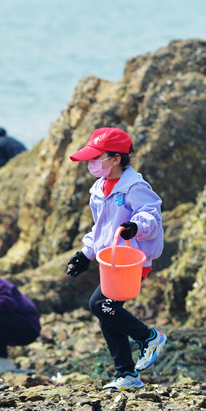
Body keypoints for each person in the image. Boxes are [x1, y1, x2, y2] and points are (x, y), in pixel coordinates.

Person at [65, 127, 167, 391]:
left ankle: (149, 337)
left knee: (99, 304)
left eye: (97, 158)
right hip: (111, 259)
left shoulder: (134, 186)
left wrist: (137, 226)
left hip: (132, 258)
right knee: (106, 312)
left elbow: (151, 214)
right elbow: (101, 227)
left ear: (116, 159)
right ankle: (127, 375)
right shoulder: (98, 188)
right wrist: (85, 254)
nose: (92, 164)